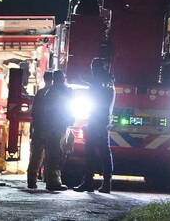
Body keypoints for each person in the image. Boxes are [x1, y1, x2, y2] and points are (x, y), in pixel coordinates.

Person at [75, 58, 116, 193]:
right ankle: (106, 183)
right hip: (103, 120)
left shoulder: (99, 81)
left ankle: (88, 182)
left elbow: (84, 79)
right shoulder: (108, 81)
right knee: (104, 152)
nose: (91, 70)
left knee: (91, 152)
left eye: (93, 67)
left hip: (97, 120)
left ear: (97, 68)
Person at [42, 69, 73, 191]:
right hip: (58, 126)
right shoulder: (62, 91)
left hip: (55, 126)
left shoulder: (50, 92)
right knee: (56, 154)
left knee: (53, 153)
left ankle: (52, 179)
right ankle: (54, 181)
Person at [25, 70, 55, 189]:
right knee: (51, 155)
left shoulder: (40, 93)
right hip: (50, 129)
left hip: (39, 128)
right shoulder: (52, 93)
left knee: (36, 155)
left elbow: (34, 112)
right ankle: (49, 180)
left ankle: (31, 180)